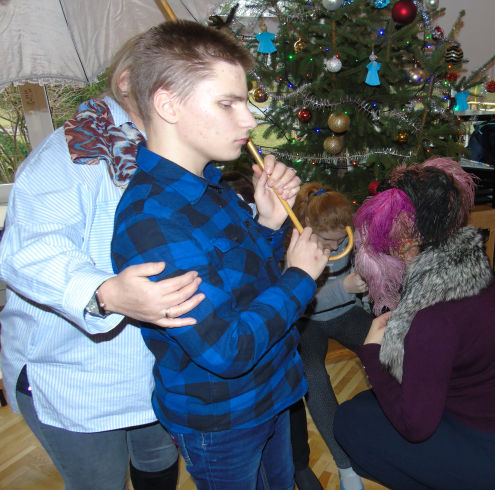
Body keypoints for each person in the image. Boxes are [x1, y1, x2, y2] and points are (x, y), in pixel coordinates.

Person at [110, 21, 329, 489]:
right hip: (224, 421)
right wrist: (299, 277)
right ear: (168, 105)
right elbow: (226, 349)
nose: (249, 120)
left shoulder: (212, 187)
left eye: (245, 103)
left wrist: (268, 223)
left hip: (270, 393)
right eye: (227, 104)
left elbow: (242, 282)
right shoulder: (152, 221)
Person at [0, 34, 206, 490]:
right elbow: (29, 251)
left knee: (157, 458)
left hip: (153, 363)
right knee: (100, 481)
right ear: (128, 82)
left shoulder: (175, 153)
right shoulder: (74, 152)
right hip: (73, 373)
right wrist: (107, 292)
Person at [333, 158, 495, 490]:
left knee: (348, 423)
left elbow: (415, 428)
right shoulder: (471, 269)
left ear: (407, 241)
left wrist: (372, 354)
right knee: (365, 408)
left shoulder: (433, 315)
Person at [287, 183, 372, 490]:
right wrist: (344, 288)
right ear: (308, 226)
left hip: (346, 315)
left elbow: (364, 285)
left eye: (341, 239)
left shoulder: (349, 236)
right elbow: (296, 302)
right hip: (306, 323)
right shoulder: (293, 245)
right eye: (328, 240)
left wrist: (367, 292)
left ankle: (392, 432)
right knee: (312, 375)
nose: (336, 247)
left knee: (386, 345)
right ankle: (344, 465)